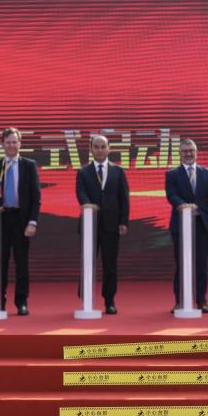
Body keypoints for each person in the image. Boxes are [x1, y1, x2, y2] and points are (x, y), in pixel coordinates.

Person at [0, 127, 41, 316]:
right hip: (0, 219)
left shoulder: (29, 165)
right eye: (8, 142)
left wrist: (32, 222)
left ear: (20, 144)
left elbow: (36, 197)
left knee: (21, 262)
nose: (11, 145)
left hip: (21, 219)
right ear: (2, 144)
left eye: (15, 142)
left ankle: (21, 302)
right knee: (1, 262)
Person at [74, 134, 130, 314]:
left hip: (111, 225)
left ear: (109, 148)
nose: (99, 150)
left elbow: (124, 198)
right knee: (87, 262)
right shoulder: (83, 172)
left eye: (103, 146)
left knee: (110, 264)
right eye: (96, 147)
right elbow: (80, 193)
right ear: (91, 149)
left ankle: (109, 300)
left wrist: (123, 221)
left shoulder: (118, 171)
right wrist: (87, 204)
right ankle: (86, 298)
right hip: (89, 224)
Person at [165, 138, 208, 313]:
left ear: (196, 153)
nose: (188, 154)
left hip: (202, 225)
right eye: (185, 151)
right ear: (179, 154)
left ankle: (201, 300)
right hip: (180, 225)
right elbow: (171, 195)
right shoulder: (172, 174)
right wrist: (183, 205)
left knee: (201, 264)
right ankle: (180, 301)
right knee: (181, 264)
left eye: (191, 151)